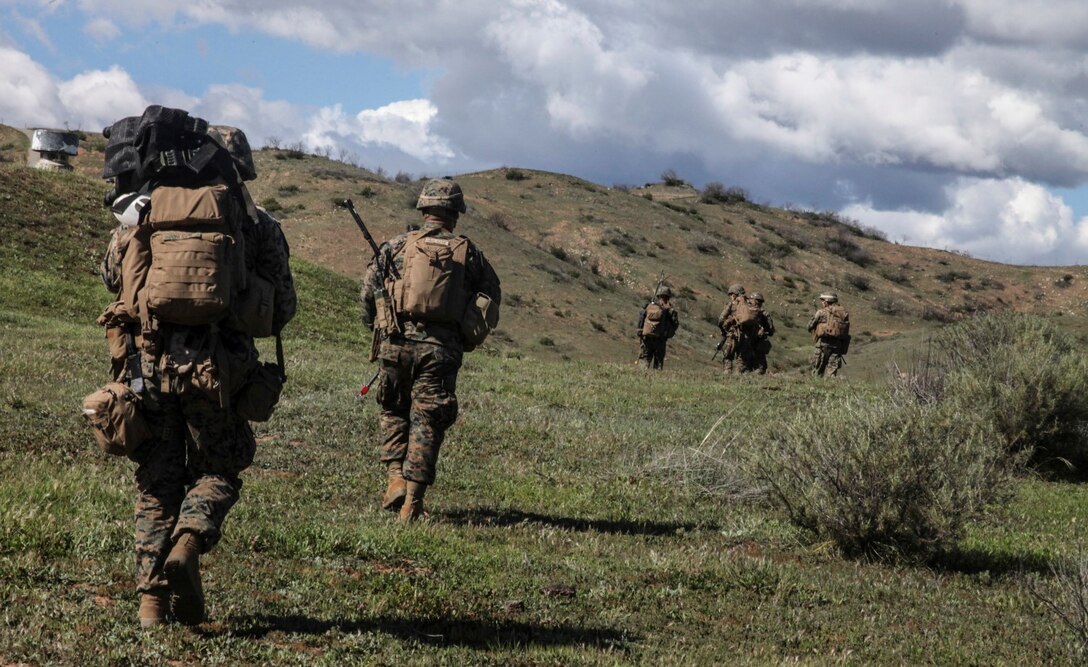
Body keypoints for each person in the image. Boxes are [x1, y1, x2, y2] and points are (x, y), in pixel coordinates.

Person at [95, 110, 294, 629]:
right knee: (221, 465)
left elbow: (113, 277)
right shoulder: (257, 225)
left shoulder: (143, 212)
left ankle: (151, 602)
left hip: (148, 365)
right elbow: (283, 307)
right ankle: (188, 541)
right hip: (220, 370)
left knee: (156, 479)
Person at [361, 178, 501, 521]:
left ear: (423, 208)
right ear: (456, 213)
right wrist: (466, 335)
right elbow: (491, 298)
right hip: (441, 350)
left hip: (396, 343)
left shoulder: (396, 246)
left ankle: (395, 477)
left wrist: (376, 326)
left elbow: (369, 292)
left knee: (393, 408)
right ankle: (413, 502)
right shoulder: (471, 254)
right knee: (429, 420)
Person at [637, 285, 680, 369]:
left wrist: (640, 332)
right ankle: (655, 377)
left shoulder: (649, 306)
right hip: (660, 340)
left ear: (658, 296)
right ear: (668, 297)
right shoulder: (669, 310)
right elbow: (675, 324)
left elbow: (641, 318)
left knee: (644, 361)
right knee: (658, 363)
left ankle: (640, 375)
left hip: (647, 338)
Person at [807, 292, 850, 377]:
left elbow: (809, 326)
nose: (822, 302)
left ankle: (816, 385)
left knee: (817, 372)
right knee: (832, 375)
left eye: (822, 300)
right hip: (837, 347)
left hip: (822, 345)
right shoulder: (843, 313)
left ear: (827, 301)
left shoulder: (821, 312)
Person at [716, 284, 750, 374]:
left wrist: (724, 331)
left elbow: (721, 319)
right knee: (741, 358)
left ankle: (727, 373)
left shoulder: (732, 304)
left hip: (733, 334)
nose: (730, 297)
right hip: (746, 335)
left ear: (734, 294)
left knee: (728, 355)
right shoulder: (749, 304)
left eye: (730, 295)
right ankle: (739, 374)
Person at [747, 292, 775, 374]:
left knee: (758, 366)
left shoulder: (763, 314)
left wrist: (763, 332)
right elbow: (771, 331)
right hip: (750, 342)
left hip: (756, 343)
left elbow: (770, 331)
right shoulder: (762, 313)